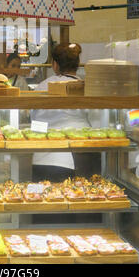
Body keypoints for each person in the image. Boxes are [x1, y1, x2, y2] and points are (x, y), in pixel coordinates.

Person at [32, 43, 99, 181]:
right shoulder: (86, 88)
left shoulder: (42, 86)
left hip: (44, 157)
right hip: (82, 157)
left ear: (55, 65)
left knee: (44, 199)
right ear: (78, 64)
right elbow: (96, 121)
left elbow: (32, 117)